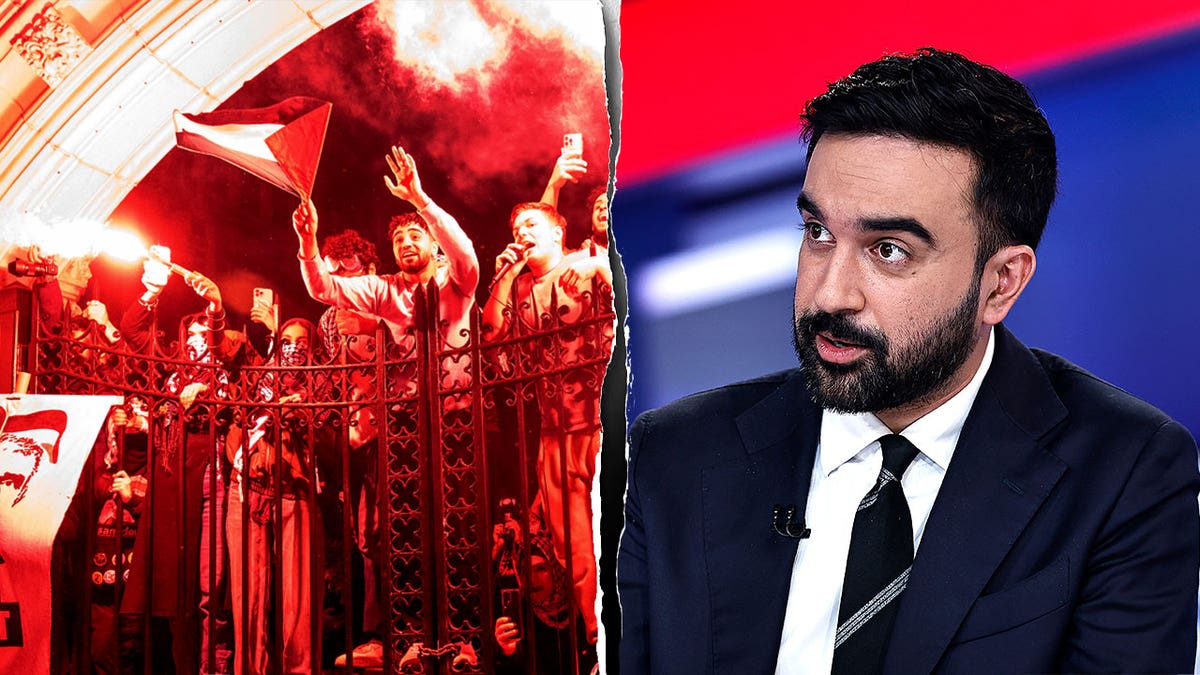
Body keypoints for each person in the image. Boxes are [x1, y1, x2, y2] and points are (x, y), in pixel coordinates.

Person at [617, 47, 1200, 674]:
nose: (829, 293)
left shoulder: (1127, 472)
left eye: (889, 250)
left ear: (1001, 283)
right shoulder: (672, 456)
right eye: (817, 233)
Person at [482, 202, 613, 644]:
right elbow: (489, 332)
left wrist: (598, 265)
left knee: (621, 526)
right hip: (554, 433)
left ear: (558, 232)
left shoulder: (584, 260)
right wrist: (505, 271)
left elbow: (630, 297)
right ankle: (599, 641)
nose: (522, 231)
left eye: (531, 224)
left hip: (601, 423)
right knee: (572, 547)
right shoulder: (517, 287)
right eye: (516, 226)